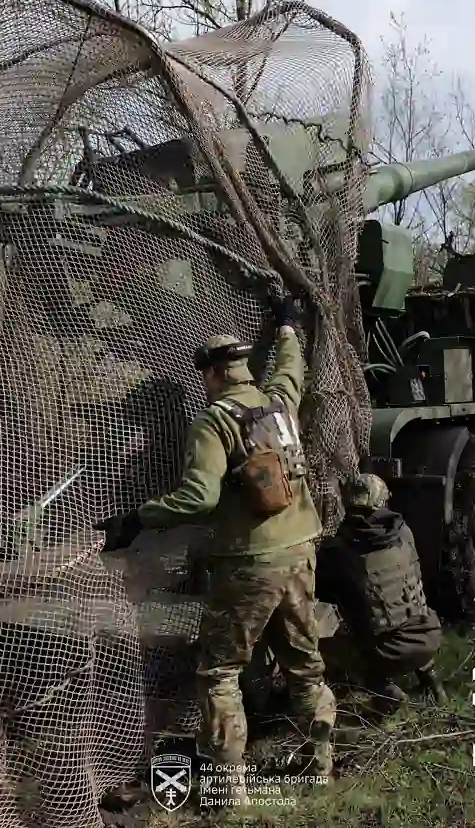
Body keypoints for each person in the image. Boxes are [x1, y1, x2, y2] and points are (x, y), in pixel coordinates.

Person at [97, 296, 336, 803]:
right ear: (244, 367)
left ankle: (231, 792)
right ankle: (321, 765)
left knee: (221, 672)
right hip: (300, 551)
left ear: (211, 374)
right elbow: (291, 367)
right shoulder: (279, 402)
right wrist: (288, 327)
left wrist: (137, 519)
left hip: (248, 563)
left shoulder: (213, 421)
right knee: (304, 664)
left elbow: (199, 497)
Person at [316, 474, 448, 712]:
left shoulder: (339, 550)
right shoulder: (403, 532)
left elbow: (322, 592)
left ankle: (386, 694)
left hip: (390, 651)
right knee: (407, 614)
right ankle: (433, 684)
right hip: (429, 632)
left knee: (332, 651)